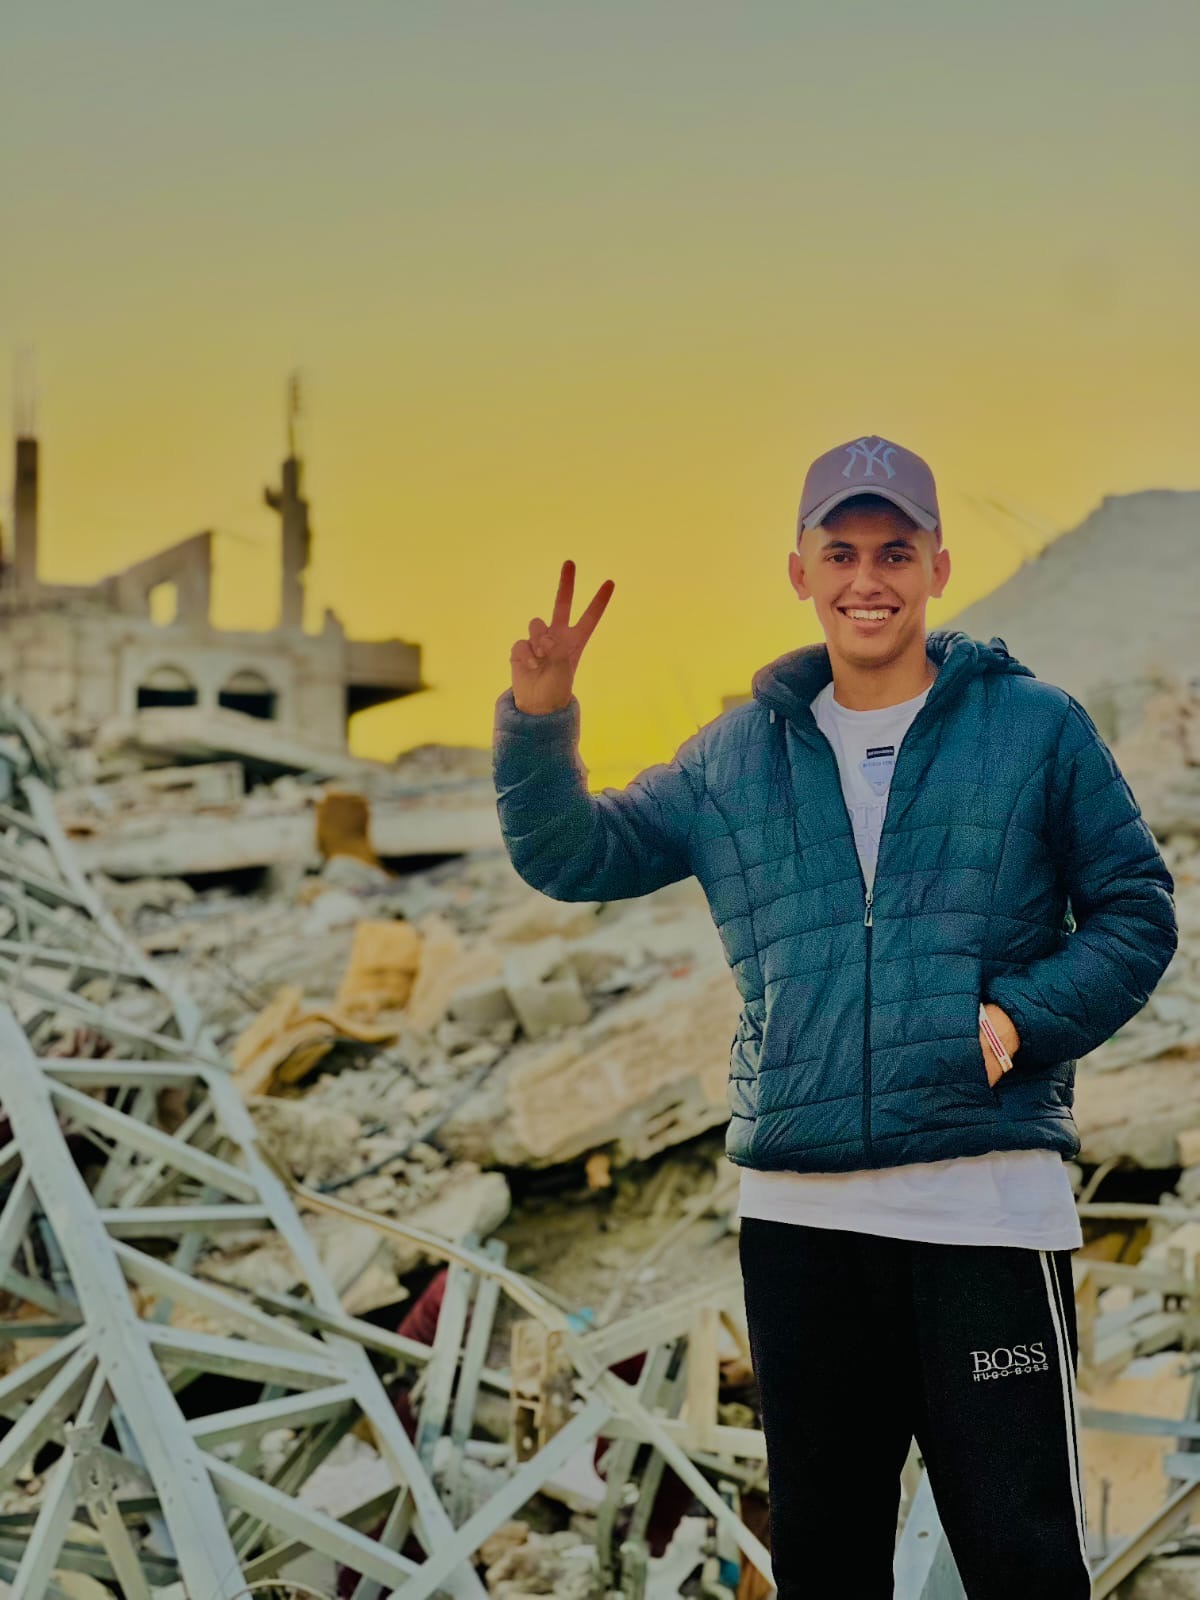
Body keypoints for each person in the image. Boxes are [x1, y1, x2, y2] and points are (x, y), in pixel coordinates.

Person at [491, 433, 1178, 1598]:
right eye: (842, 551)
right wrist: (538, 714)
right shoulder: (733, 757)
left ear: (938, 566)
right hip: (801, 1224)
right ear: (799, 570)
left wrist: (1016, 1021)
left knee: (1021, 1561)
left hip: (983, 1212)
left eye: (895, 551)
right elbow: (576, 854)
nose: (869, 577)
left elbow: (1137, 912)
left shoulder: (1035, 727)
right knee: (825, 1565)